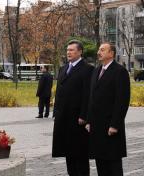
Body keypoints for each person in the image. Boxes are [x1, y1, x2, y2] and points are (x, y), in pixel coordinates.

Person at [86, 42, 130, 176]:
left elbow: (122, 101)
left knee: (113, 165)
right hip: (97, 126)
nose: (99, 52)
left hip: (111, 127)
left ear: (111, 53)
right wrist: (88, 121)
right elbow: (91, 98)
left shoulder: (119, 71)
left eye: (103, 50)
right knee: (101, 164)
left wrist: (115, 125)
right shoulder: (96, 70)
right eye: (99, 49)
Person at [52, 40, 94, 176]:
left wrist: (84, 116)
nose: (68, 52)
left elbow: (88, 94)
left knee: (80, 155)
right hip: (63, 118)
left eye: (72, 50)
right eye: (67, 50)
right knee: (68, 153)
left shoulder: (88, 69)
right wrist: (56, 112)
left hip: (77, 120)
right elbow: (59, 92)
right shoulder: (63, 68)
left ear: (80, 51)